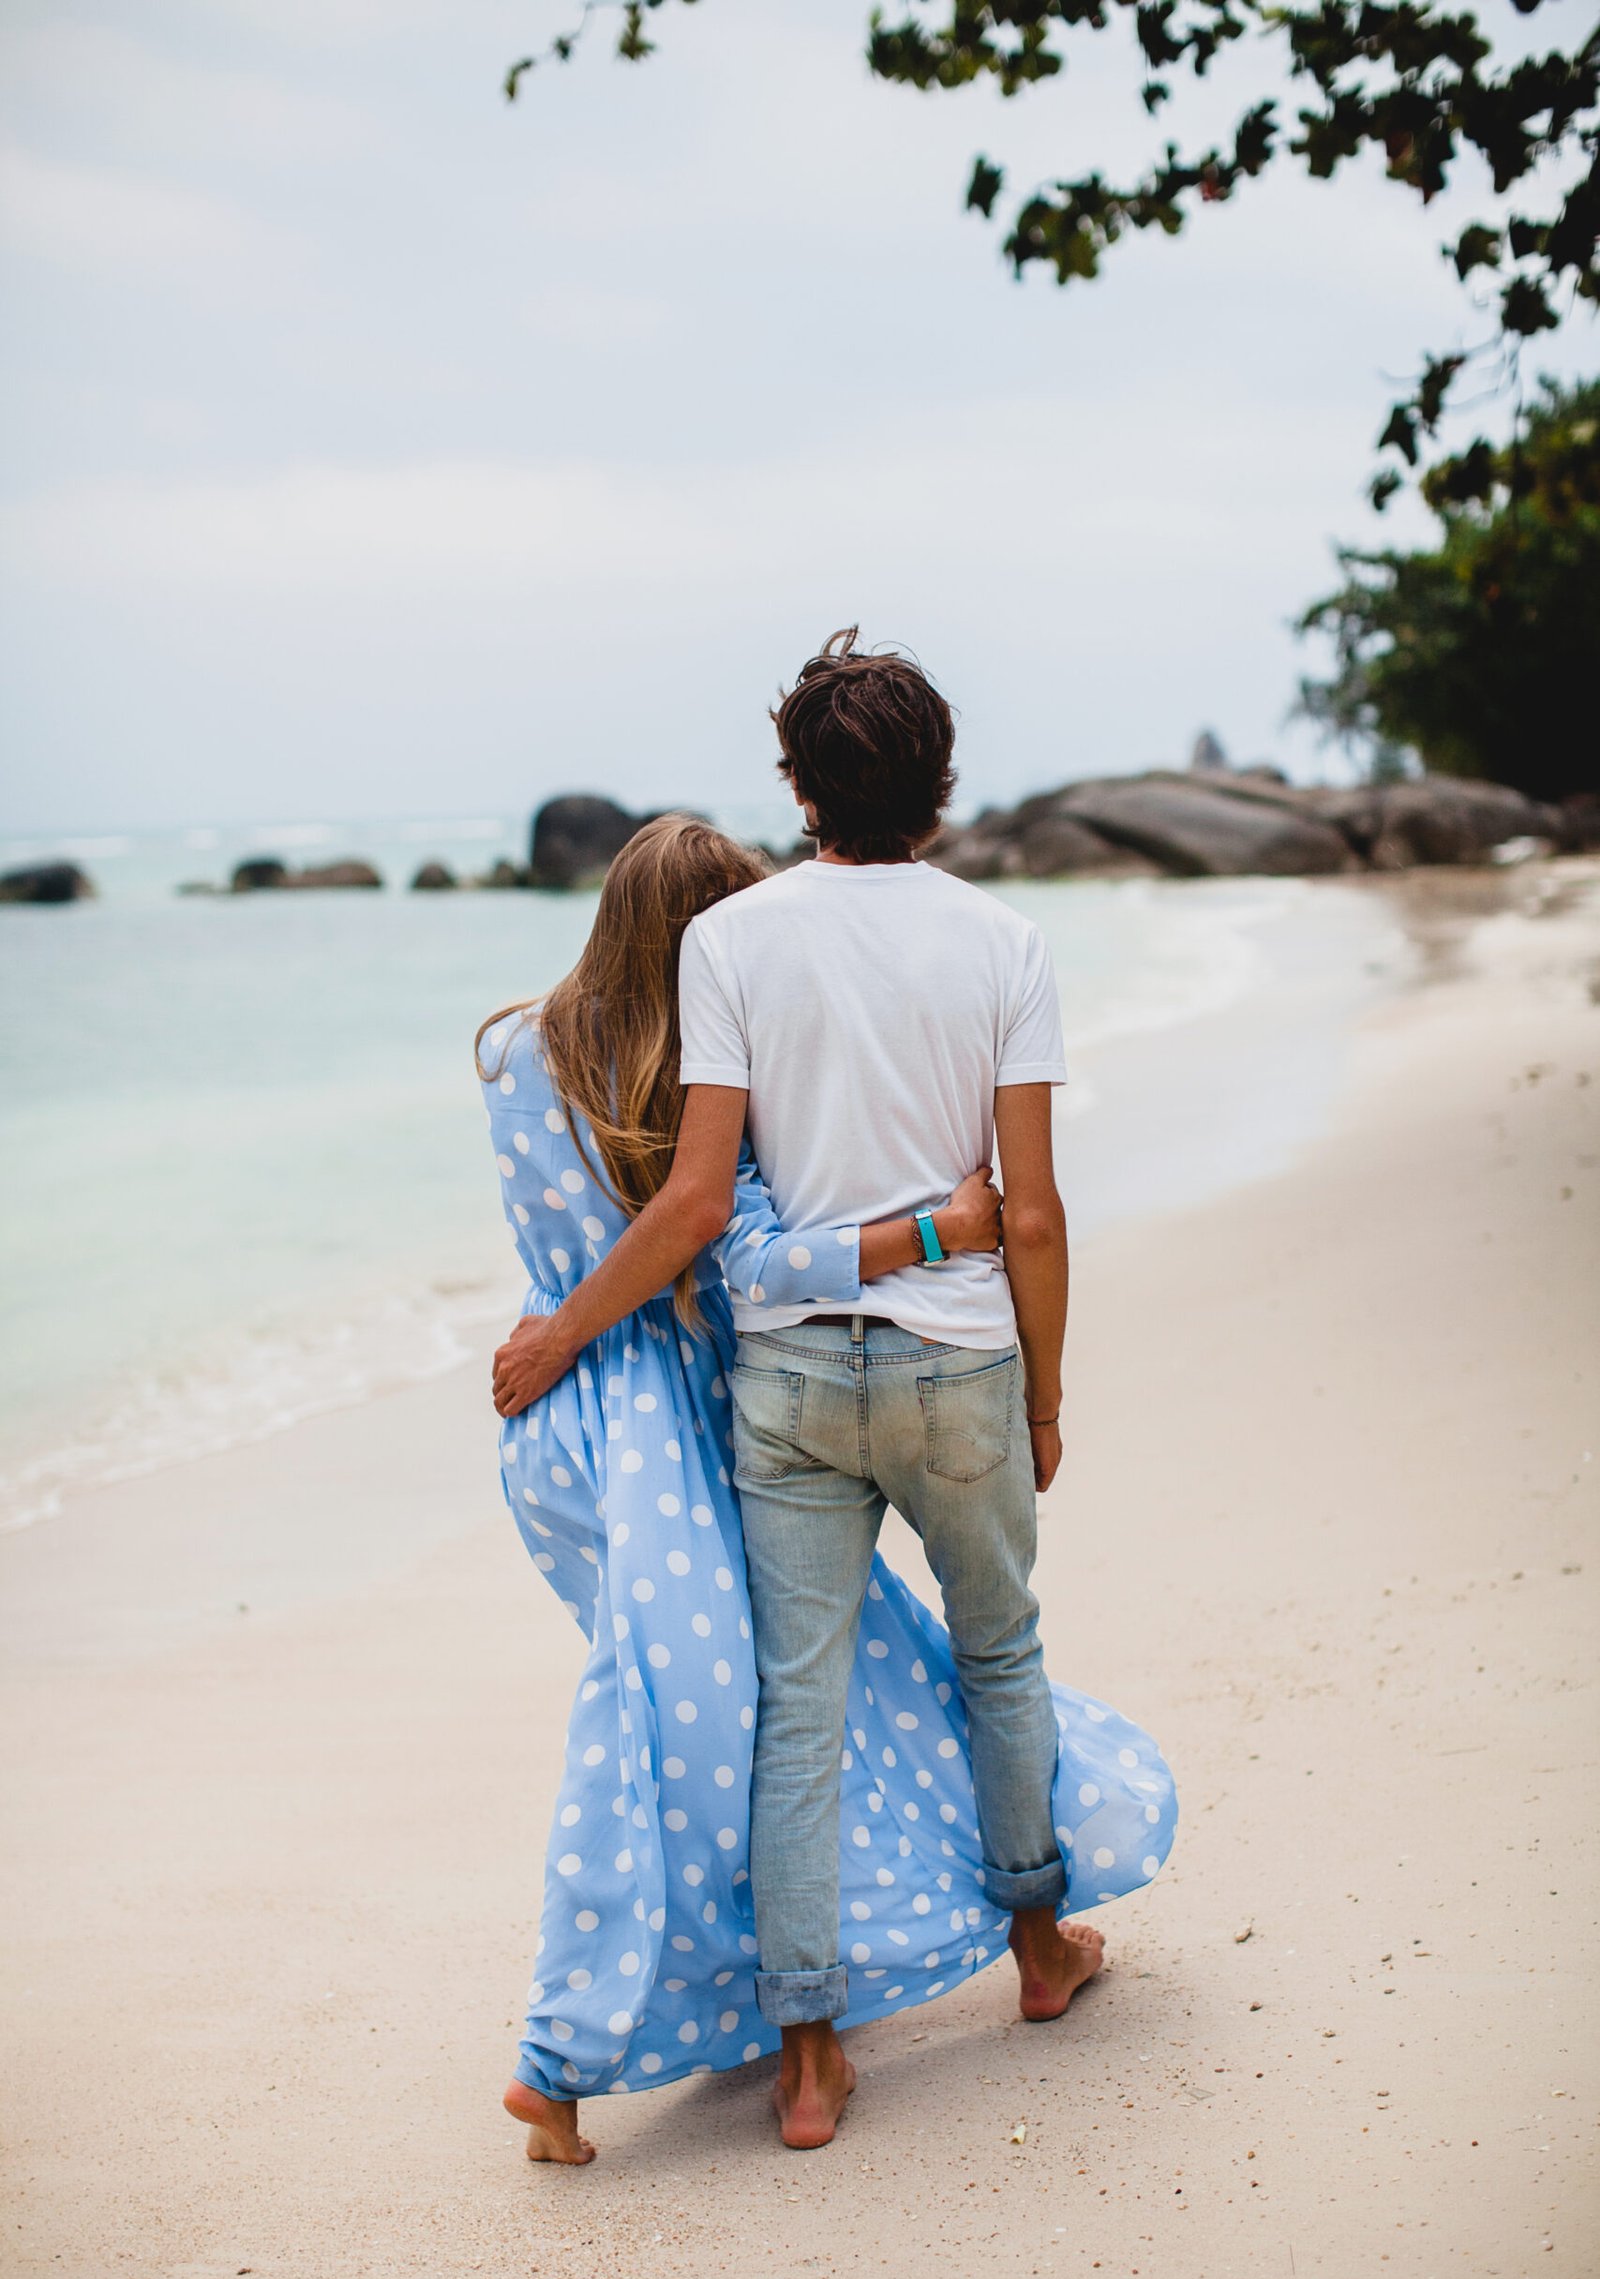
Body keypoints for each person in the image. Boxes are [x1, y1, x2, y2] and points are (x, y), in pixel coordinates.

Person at [491, 635, 1177, 2155]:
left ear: (797, 787)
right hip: (957, 1363)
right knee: (1001, 1658)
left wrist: (553, 1341)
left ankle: (808, 2058)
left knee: (795, 1710)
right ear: (941, 783)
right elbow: (1037, 1212)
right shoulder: (1005, 945)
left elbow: (697, 1202)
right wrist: (1046, 1398)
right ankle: (1043, 1954)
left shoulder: (731, 948)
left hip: (792, 1381)